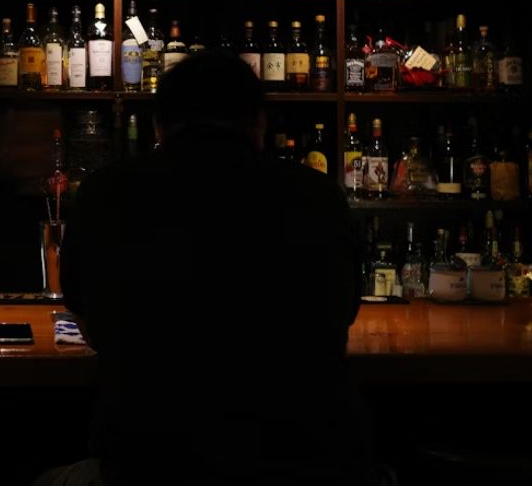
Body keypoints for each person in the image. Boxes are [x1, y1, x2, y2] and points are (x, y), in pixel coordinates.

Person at [44, 51, 373, 485]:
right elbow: (345, 311)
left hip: (147, 465)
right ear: (259, 124)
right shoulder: (318, 196)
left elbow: (87, 320)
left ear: (160, 126)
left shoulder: (107, 193)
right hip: (306, 465)